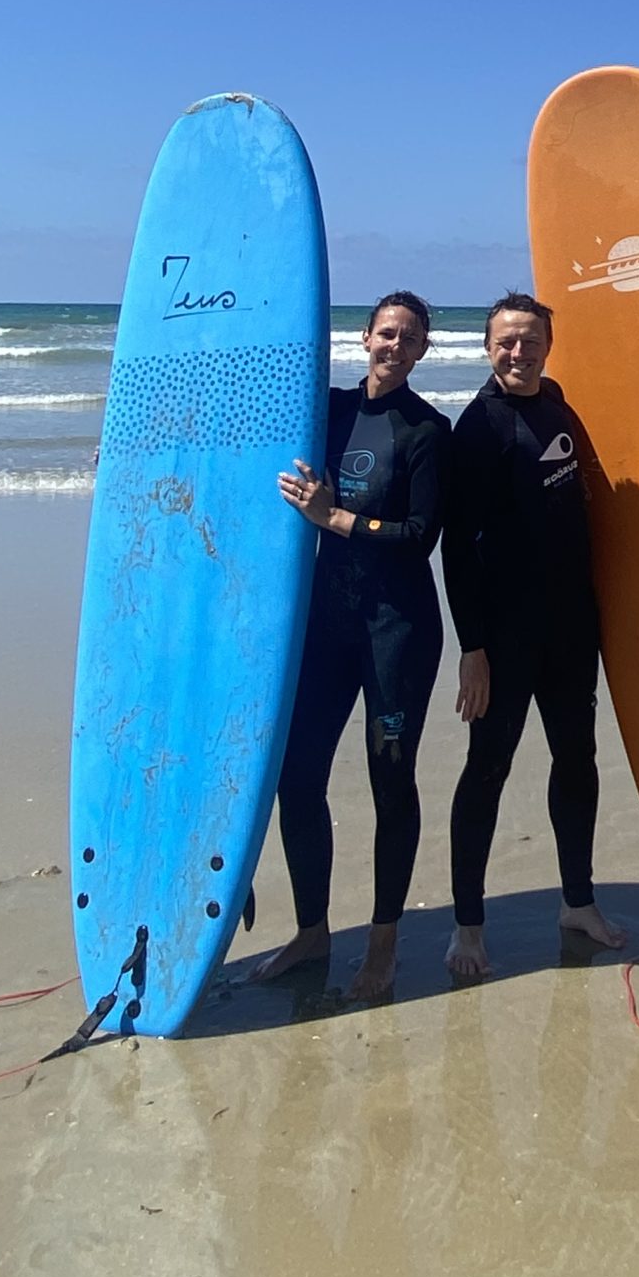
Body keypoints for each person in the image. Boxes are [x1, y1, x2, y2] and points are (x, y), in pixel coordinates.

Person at [256, 291, 451, 1001]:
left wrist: (331, 515)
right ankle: (312, 933)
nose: (394, 346)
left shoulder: (428, 431)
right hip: (328, 629)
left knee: (389, 783)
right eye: (386, 333)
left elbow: (419, 539)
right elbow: (245, 443)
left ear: (423, 351)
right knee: (295, 777)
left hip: (397, 633)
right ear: (364, 337)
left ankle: (383, 942)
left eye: (409, 338)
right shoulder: (329, 412)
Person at [443, 293, 627, 978]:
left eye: (529, 341)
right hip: (505, 635)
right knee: (487, 770)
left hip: (572, 627)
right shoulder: (480, 428)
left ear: (549, 344)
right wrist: (472, 648)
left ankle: (577, 902)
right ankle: (467, 926)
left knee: (577, 761)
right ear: (488, 348)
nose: (517, 353)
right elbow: (457, 547)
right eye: (505, 342)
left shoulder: (558, 406)